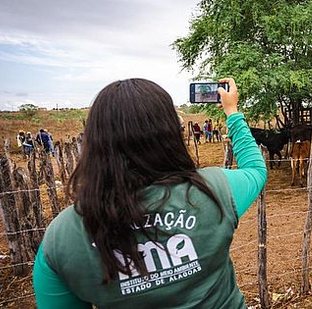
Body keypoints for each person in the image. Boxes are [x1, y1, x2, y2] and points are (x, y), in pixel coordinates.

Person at [33, 78, 267, 308]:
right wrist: (232, 111)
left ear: (94, 142)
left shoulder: (61, 238)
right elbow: (255, 169)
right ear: (171, 135)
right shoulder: (216, 189)